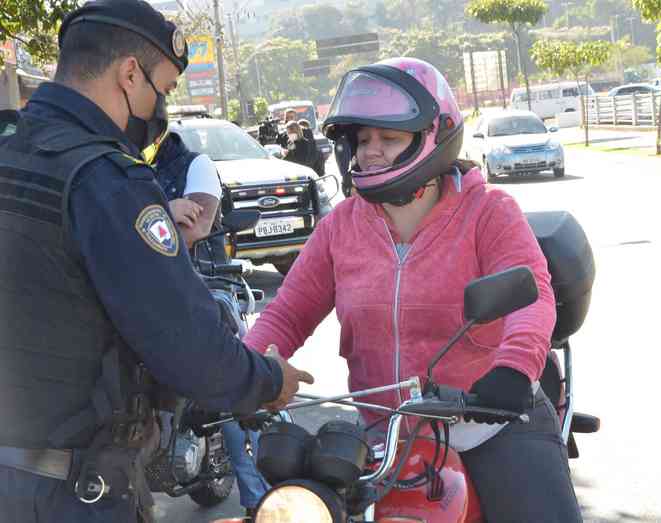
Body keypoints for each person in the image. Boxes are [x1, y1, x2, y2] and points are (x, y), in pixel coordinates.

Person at [0, 2, 312, 522]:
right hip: (70, 493)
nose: (160, 109)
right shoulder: (107, 179)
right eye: (162, 90)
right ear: (128, 73)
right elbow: (189, 349)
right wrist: (267, 380)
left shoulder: (10, 150)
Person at [244, 58, 582, 522]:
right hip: (384, 438)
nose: (371, 152)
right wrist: (240, 373)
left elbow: (532, 293)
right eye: (363, 140)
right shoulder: (341, 227)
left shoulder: (488, 212)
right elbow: (288, 312)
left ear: (432, 136)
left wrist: (513, 369)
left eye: (389, 137)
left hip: (489, 424)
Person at [150, 131, 270, 516]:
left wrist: (145, 219)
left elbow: (193, 230)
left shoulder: (193, 165)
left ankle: (260, 498)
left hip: (205, 288)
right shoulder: (120, 170)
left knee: (233, 383)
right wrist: (166, 208)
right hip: (144, 294)